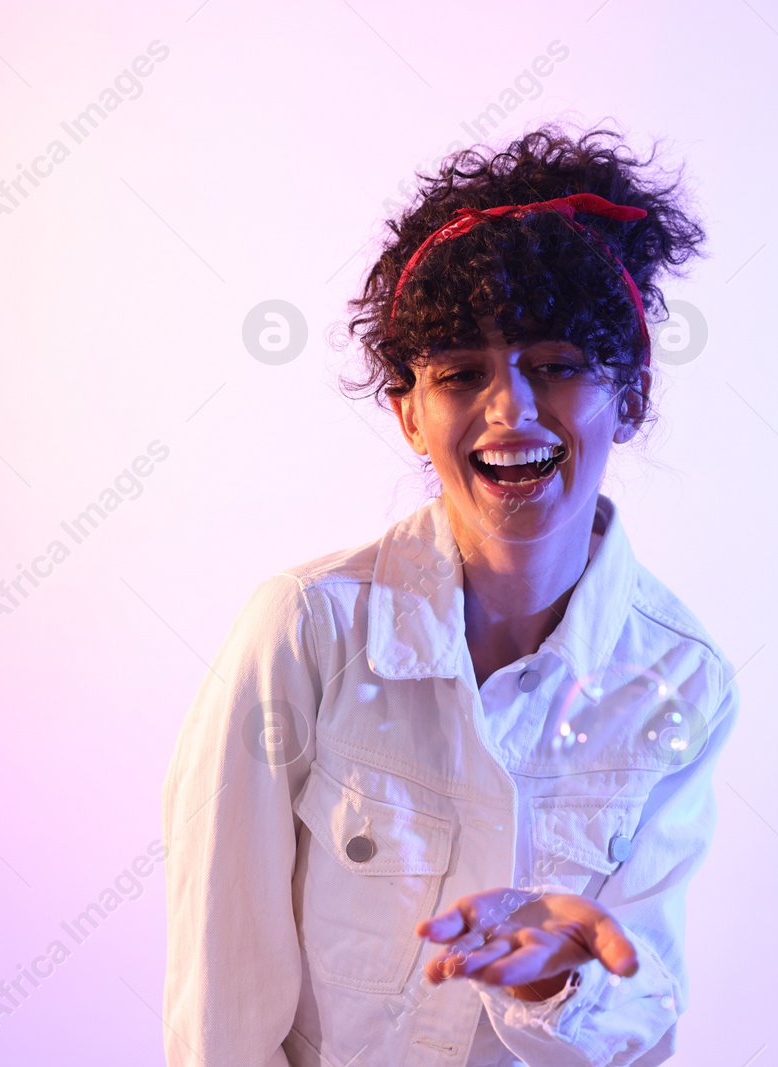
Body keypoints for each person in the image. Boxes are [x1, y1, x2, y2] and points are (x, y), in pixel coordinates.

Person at [162, 127, 735, 1067]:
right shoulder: (304, 632)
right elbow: (220, 1012)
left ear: (628, 394)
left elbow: (643, 1017)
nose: (509, 411)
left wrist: (559, 977)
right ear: (409, 412)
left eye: (556, 363)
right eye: (460, 373)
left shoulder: (679, 677)